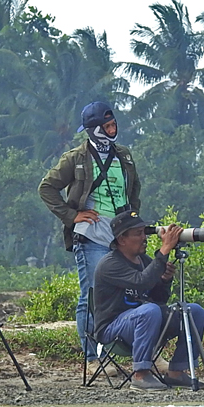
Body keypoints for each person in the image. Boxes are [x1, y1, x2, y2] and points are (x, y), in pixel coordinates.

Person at [38, 101, 141, 376]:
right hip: (91, 234)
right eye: (106, 126)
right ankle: (91, 356)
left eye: (113, 124)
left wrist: (133, 224)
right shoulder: (76, 157)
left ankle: (126, 352)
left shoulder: (124, 156)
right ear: (94, 130)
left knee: (130, 291)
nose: (112, 129)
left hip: (121, 234)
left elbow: (135, 193)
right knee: (92, 295)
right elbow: (47, 188)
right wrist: (72, 216)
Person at [92, 211, 204, 391]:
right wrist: (165, 249)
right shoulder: (110, 264)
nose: (144, 238)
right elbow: (141, 282)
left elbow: (159, 298)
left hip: (145, 319)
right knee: (150, 311)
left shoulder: (144, 261)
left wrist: (164, 280)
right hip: (113, 327)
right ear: (122, 239)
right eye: (138, 234)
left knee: (195, 311)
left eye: (144, 232)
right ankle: (141, 374)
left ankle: (176, 372)